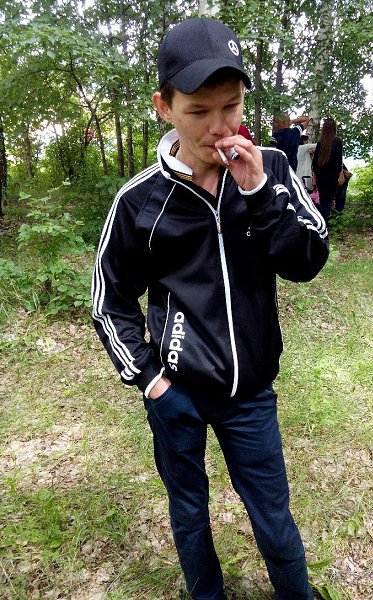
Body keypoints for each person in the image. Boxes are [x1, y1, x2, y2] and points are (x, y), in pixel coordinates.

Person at [92, 16, 328, 600]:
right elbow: (109, 300)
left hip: (251, 394)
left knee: (273, 514)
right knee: (190, 512)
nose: (220, 127)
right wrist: (151, 380)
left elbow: (307, 259)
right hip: (178, 394)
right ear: (164, 108)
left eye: (232, 106)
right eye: (199, 111)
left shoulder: (271, 168)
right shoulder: (140, 200)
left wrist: (258, 194)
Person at [311, 118, 343, 222]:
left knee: (323, 200)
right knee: (328, 201)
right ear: (334, 128)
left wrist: (317, 174)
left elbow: (315, 163)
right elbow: (339, 162)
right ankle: (324, 222)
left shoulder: (320, 143)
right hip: (332, 177)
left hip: (321, 177)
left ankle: (321, 221)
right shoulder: (337, 142)